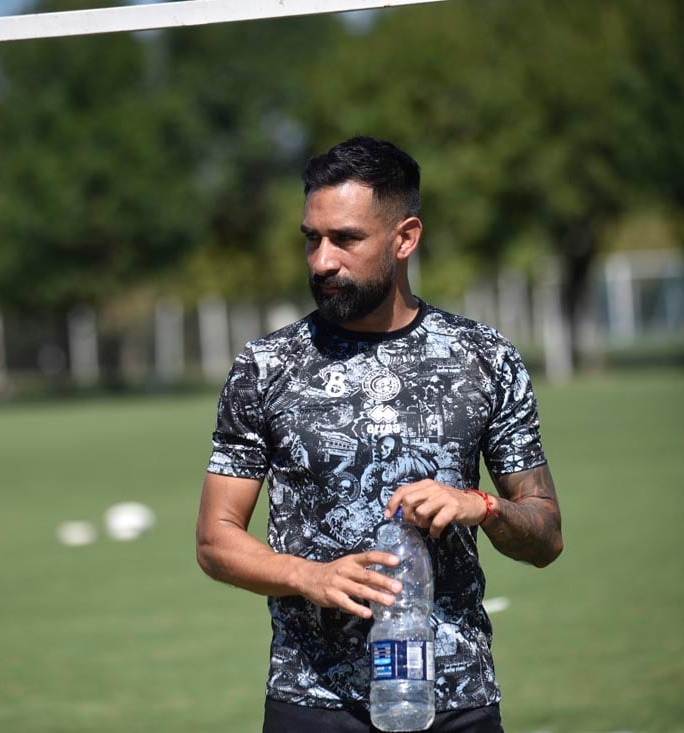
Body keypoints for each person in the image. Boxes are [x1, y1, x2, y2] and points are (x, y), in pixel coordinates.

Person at [196, 136, 563, 732]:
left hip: (456, 701)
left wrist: (484, 507)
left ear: (405, 238)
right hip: (311, 701)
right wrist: (307, 576)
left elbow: (545, 536)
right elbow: (215, 540)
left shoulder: (484, 358)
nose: (321, 261)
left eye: (345, 239)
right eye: (311, 238)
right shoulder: (265, 366)